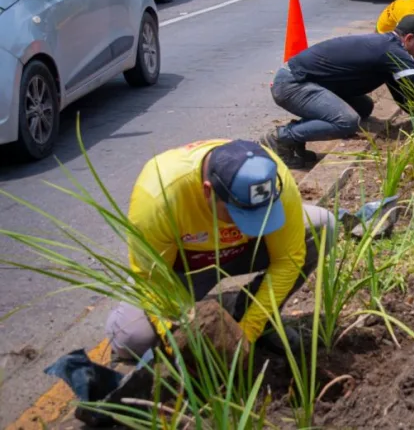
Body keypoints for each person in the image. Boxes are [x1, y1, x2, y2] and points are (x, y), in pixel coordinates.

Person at [105, 139, 334, 360]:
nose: (253, 229)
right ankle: (215, 308)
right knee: (131, 339)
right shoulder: (159, 196)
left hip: (238, 254)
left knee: (322, 225)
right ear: (208, 191)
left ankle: (243, 309)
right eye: (238, 215)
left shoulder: (273, 179)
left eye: (261, 215)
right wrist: (176, 337)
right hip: (182, 270)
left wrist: (248, 330)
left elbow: (288, 259)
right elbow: (152, 278)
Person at [263, 15, 414, 167]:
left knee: (363, 107)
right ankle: (281, 137)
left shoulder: (388, 48)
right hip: (292, 85)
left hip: (305, 82)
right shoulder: (394, 51)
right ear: (410, 39)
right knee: (346, 121)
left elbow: (405, 95)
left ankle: (297, 137)